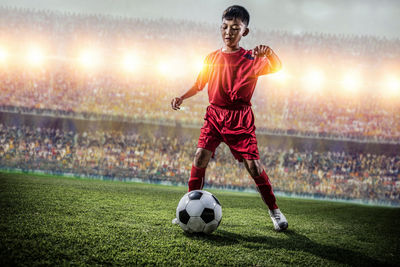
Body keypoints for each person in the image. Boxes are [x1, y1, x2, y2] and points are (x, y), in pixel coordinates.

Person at [171, 5, 288, 231]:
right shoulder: (211, 58)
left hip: (240, 118)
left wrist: (269, 53)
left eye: (235, 28)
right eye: (225, 27)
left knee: (254, 167)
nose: (228, 32)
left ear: (245, 31)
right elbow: (199, 85)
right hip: (215, 114)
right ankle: (187, 206)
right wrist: (181, 97)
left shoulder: (251, 58)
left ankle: (275, 211)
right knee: (199, 158)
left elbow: (278, 66)